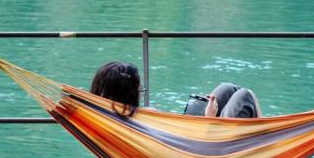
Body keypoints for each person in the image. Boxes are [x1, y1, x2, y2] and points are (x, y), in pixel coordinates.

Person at [90, 62, 261, 118]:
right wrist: (210, 119)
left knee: (226, 89)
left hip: (184, 141)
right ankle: (266, 146)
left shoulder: (111, 116)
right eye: (139, 88)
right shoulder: (146, 117)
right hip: (204, 153)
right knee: (246, 95)